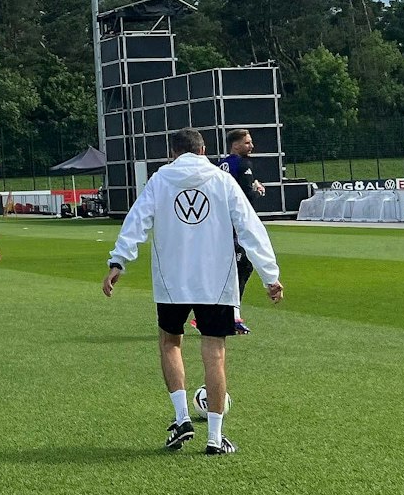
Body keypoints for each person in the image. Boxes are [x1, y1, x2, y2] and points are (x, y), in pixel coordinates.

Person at [105, 128, 283, 455]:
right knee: (214, 353)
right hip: (215, 281)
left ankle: (182, 417)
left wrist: (118, 262)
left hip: (172, 281)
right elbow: (250, 227)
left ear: (173, 152)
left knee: (170, 342)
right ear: (203, 150)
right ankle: (215, 437)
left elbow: (137, 220)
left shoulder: (161, 180)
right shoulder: (222, 180)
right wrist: (270, 275)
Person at [216, 129, 269, 334]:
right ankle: (231, 316)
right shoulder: (244, 164)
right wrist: (256, 190)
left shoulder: (222, 164)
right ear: (236, 145)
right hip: (237, 224)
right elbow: (246, 196)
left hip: (221, 224)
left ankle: (220, 313)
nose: (251, 146)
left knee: (230, 267)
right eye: (247, 143)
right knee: (242, 266)